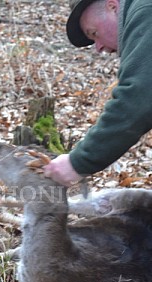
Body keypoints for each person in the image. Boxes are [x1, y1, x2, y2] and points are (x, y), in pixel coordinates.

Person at [43, 0, 152, 186]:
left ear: (112, 6)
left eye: (94, 34)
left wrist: (77, 162)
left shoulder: (145, 13)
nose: (98, 47)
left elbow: (137, 100)